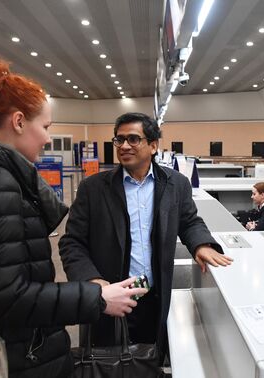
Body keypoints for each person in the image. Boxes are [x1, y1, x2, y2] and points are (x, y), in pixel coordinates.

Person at [0, 54, 147, 378]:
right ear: (18, 122)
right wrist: (98, 297)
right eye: (44, 127)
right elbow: (8, 298)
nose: (47, 138)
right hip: (15, 358)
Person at [59, 112, 233, 358]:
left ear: (153, 145)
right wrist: (93, 282)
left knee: (151, 359)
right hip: (111, 297)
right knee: (108, 364)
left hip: (155, 296)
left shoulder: (176, 184)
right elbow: (72, 243)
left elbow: (188, 220)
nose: (124, 146)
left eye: (133, 139)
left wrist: (201, 244)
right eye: (119, 140)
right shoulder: (93, 189)